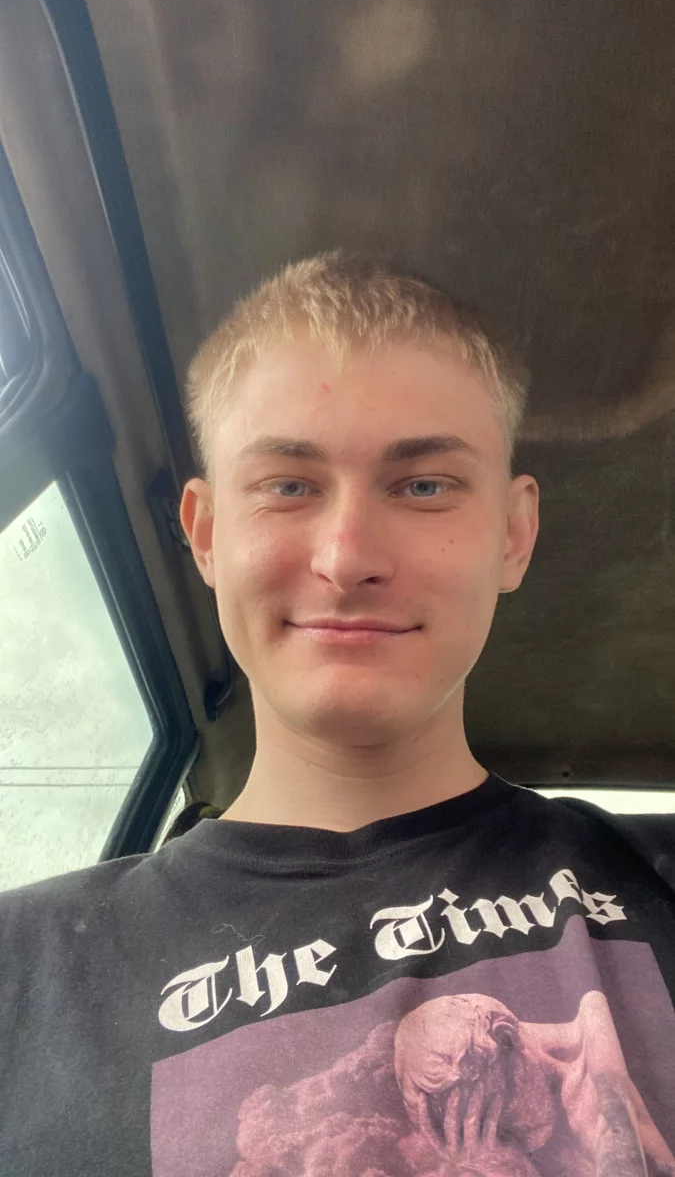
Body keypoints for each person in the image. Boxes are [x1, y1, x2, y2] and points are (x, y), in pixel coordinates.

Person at [1, 253, 674, 1177]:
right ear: (206, 534)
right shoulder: (21, 974)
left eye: (424, 484)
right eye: (288, 485)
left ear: (513, 535)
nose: (347, 556)